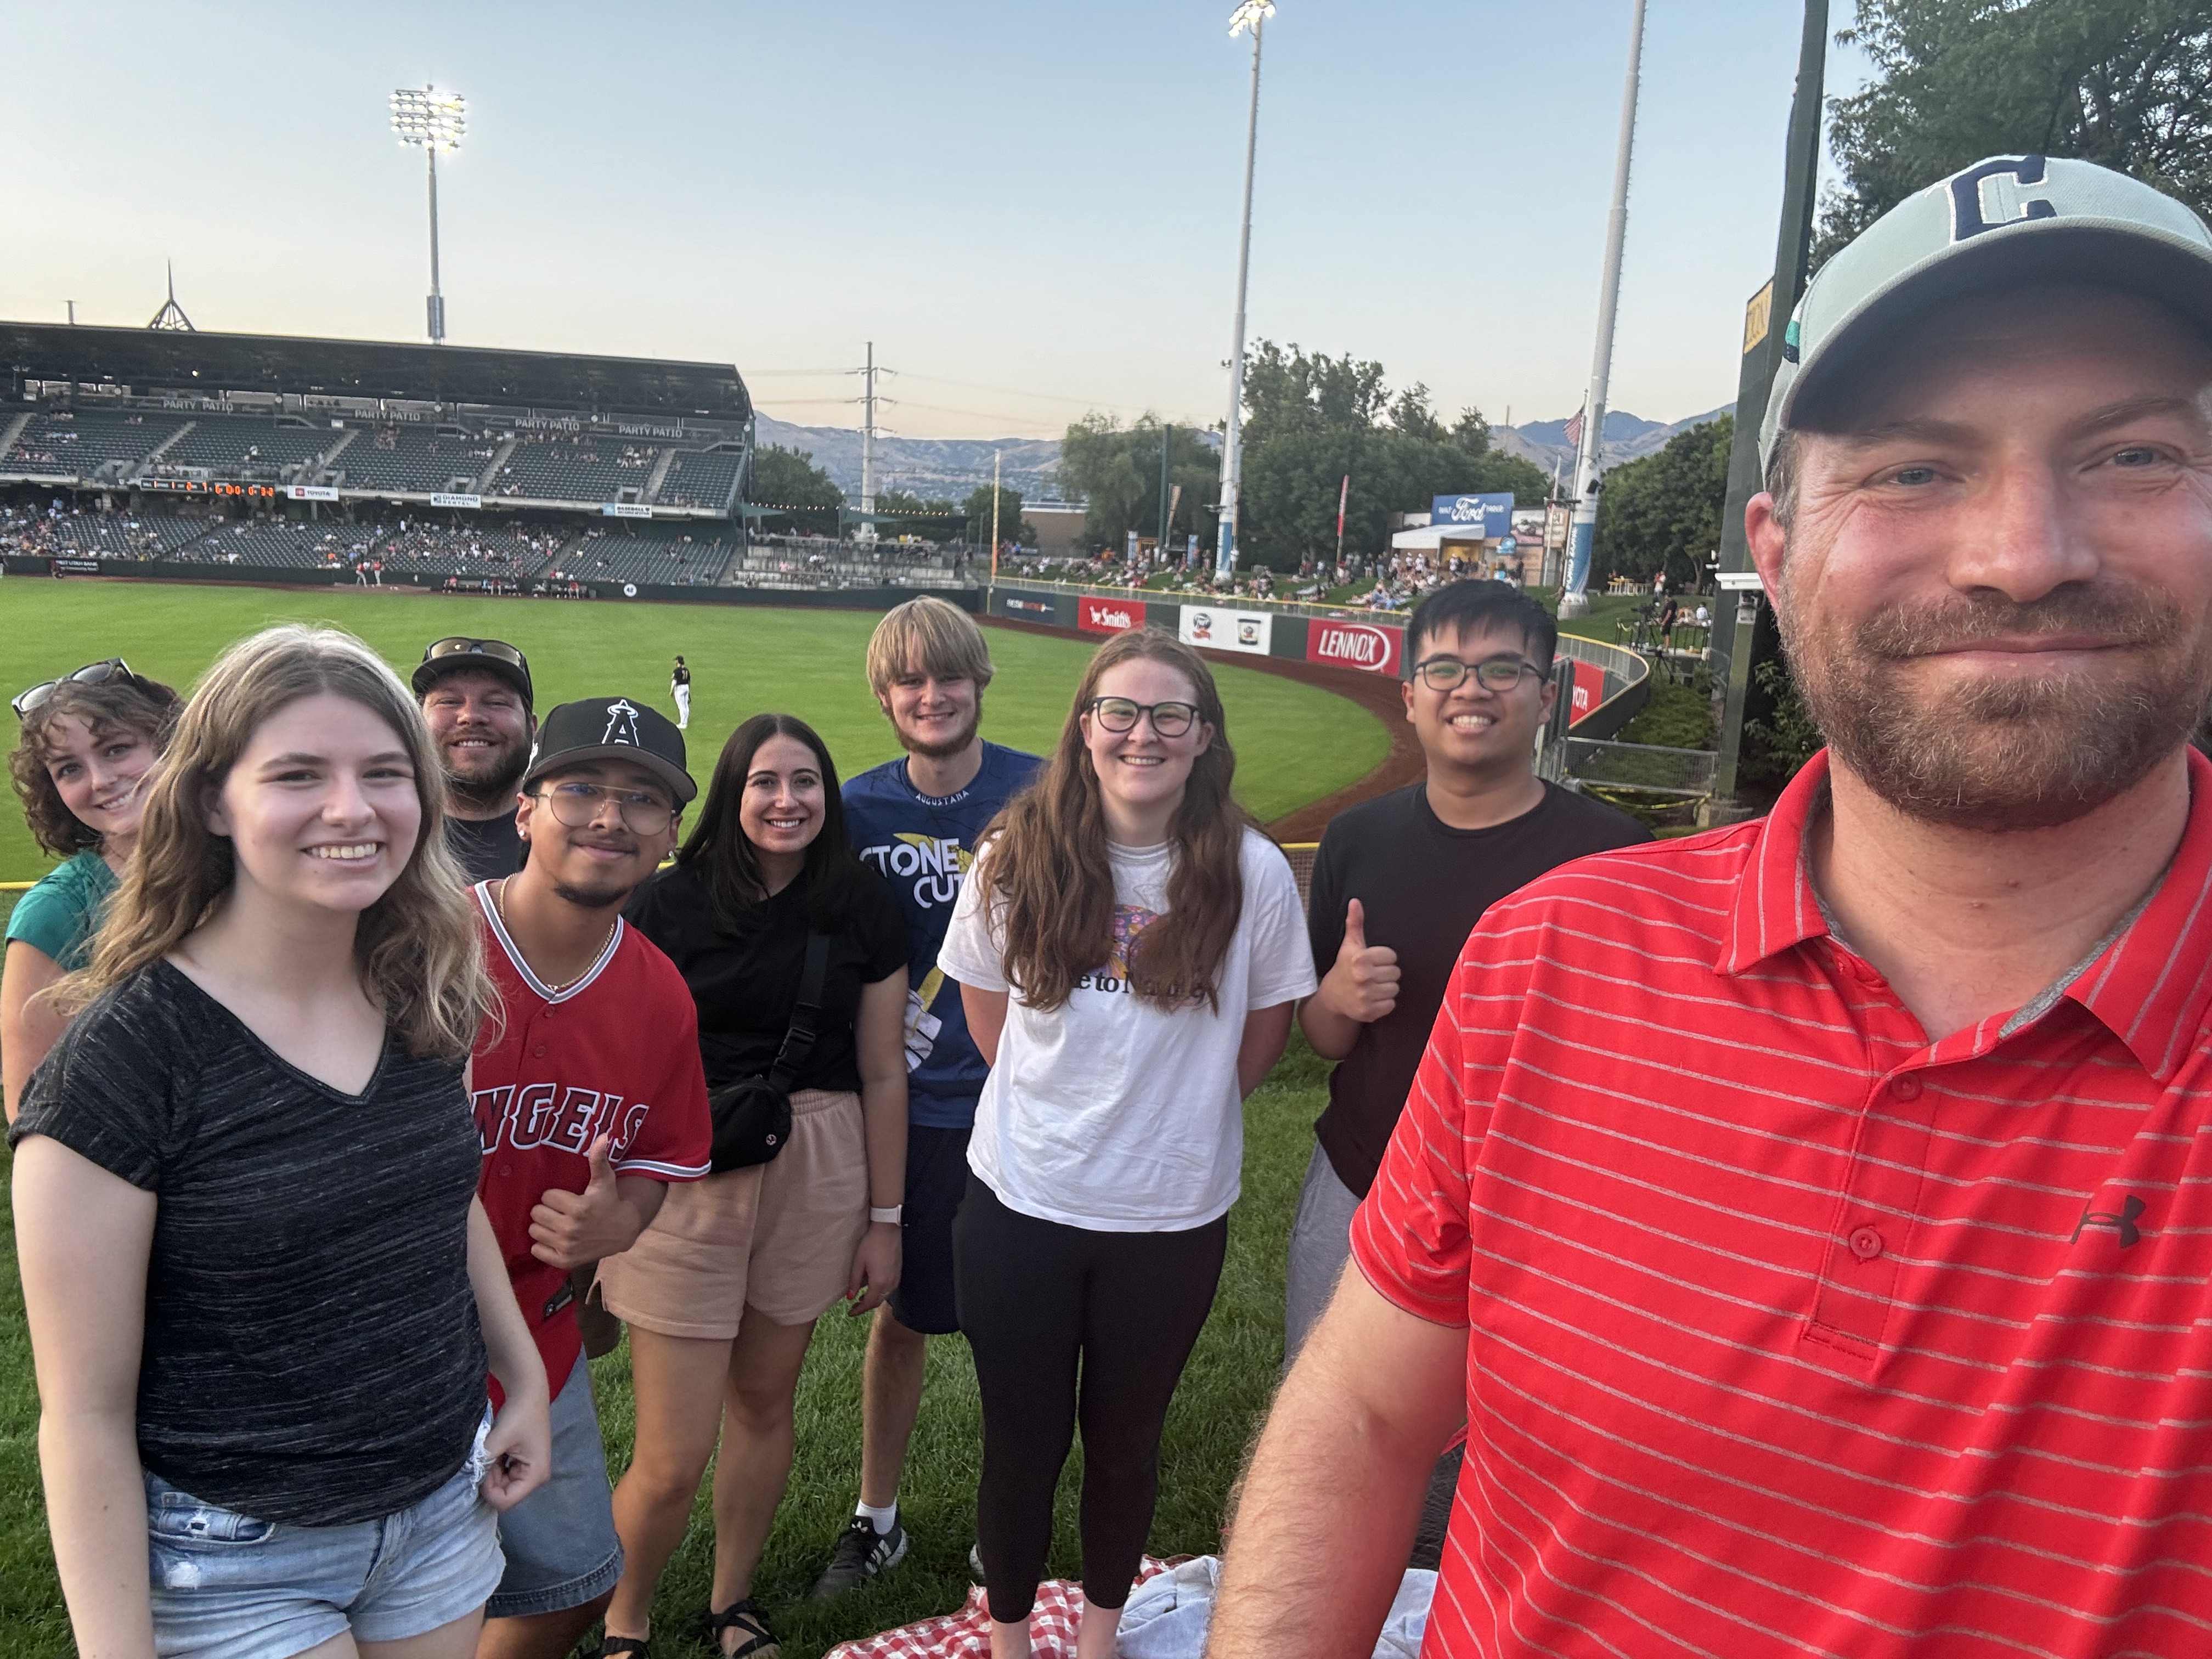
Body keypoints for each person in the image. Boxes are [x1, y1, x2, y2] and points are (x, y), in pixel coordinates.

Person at [1206, 156, 2212, 1658]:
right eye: (1913, 467)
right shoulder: (1556, 953)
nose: (2023, 555)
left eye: (2135, 455)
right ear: (1777, 549)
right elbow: (1357, 1408)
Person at [10, 624, 552, 1658]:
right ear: (214, 799)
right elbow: (80, 1414)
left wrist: (519, 1378)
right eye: (300, 773)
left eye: (384, 772)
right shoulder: (124, 1063)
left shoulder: (423, 990)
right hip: (232, 1553)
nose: (351, 808)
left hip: (442, 1507)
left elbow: (447, 1202)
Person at [938, 629, 1315, 1659]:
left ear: (1203, 738)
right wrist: (1067, 1103)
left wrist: (1175, 1113)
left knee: (1125, 1444)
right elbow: (984, 1007)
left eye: (1169, 715)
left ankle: (1098, 1638)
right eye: (1120, 711)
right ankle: (1009, 1637)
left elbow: (1265, 1028)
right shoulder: (1016, 852)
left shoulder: (1251, 868)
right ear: (1084, 727)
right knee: (1019, 1441)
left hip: (1169, 1212)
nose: (1141, 733)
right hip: (1020, 1200)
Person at [596, 713, 909, 1659]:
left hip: (820, 1157)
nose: (787, 799)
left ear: (828, 794)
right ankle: (624, 1614)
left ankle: (731, 1600)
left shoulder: (861, 902)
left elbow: (884, 1066)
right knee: (671, 1449)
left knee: (765, 1403)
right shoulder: (664, 905)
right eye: (765, 780)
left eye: (805, 780)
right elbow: (616, 1056)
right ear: (732, 794)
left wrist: (885, 1218)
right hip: (686, 1167)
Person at [1288, 581, 1647, 1362]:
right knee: (1330, 1409)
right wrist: (1340, 999)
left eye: (1503, 670)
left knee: (1488, 1438)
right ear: (1413, 695)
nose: (1472, 690)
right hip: (1362, 1178)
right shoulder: (1357, 840)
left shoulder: (1616, 857)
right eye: (1446, 669)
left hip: (1538, 1207)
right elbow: (1324, 1039)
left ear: (1547, 695)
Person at [469, 696, 713, 1659]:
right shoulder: (420, 948)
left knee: (575, 1579)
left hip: (539, 1333)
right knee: (395, 1591)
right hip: (389, 1337)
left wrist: (619, 1221)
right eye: (580, 787)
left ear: (670, 834)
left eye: (643, 800)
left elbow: (657, 1162)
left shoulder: (658, 993)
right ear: (525, 808)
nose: (610, 817)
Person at [811, 596, 1042, 1598]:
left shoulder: (1044, 791)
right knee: (902, 1312)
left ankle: (1006, 1522)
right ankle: (878, 1516)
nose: (932, 695)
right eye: (910, 681)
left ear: (978, 682)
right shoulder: (854, 808)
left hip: (1027, 1102)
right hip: (905, 1109)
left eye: (949, 677)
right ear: (884, 695)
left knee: (1017, 1323)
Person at [3, 659, 181, 1120]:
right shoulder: (54, 914)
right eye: (68, 770)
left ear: (172, 744)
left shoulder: (250, 863)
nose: (101, 780)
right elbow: (32, 1110)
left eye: (117, 749)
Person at [414, 636, 539, 884]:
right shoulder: (382, 831)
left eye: (497, 703)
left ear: (532, 728)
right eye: (449, 702)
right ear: (415, 723)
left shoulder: (567, 835)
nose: (471, 716)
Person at [670, 655, 691, 731]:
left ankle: (683, 724)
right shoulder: (687, 670)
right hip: (686, 687)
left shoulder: (677, 671)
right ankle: (685, 722)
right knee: (686, 705)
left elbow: (674, 682)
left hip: (680, 689)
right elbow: (689, 681)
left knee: (681, 706)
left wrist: (671, 691)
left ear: (678, 661)